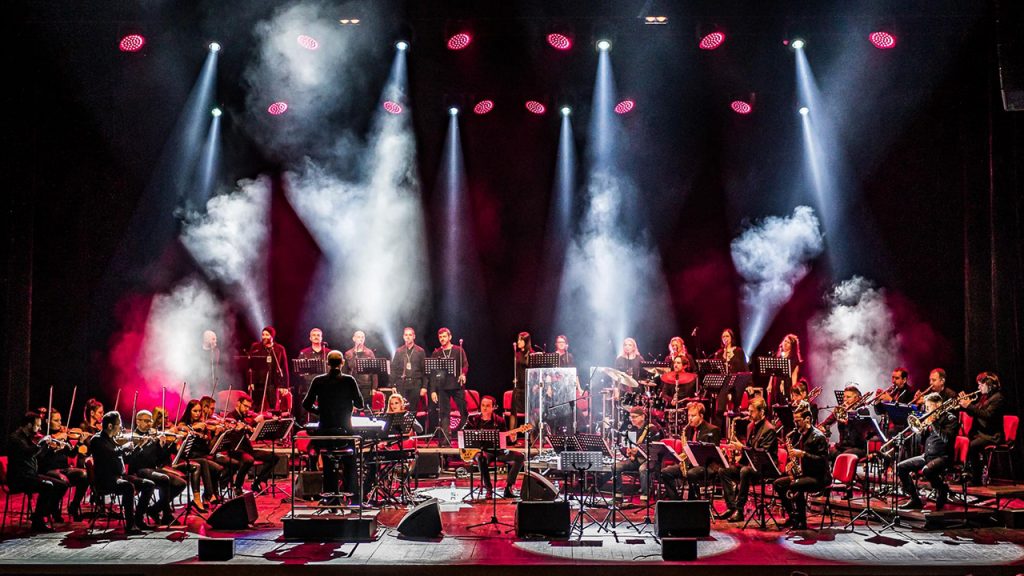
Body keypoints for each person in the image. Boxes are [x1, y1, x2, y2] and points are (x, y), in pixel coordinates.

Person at [302, 350, 366, 504]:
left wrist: (319, 411)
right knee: (350, 464)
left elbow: (306, 404)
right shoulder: (349, 380)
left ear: (327, 363)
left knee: (328, 464)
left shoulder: (318, 380)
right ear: (342, 363)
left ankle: (331, 499)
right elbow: (360, 404)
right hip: (345, 431)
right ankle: (353, 499)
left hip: (325, 432)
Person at [89, 411, 156, 534]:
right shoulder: (97, 440)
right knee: (128, 487)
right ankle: (130, 525)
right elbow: (110, 453)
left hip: (119, 477)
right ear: (110, 426)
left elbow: (125, 458)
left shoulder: (113, 439)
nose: (121, 427)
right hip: (106, 479)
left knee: (149, 484)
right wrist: (123, 447)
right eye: (119, 424)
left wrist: (138, 447)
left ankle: (138, 519)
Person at [7, 412, 67, 532]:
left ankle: (44, 512)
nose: (39, 429)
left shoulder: (28, 438)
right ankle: (38, 521)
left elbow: (38, 457)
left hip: (31, 475)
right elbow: (28, 453)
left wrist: (50, 448)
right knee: (47, 486)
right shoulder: (15, 438)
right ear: (29, 425)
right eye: (37, 425)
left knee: (62, 485)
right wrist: (41, 443)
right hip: (19, 478)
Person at [897, 392, 958, 510]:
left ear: (937, 405)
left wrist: (934, 423)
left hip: (943, 457)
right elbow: (923, 442)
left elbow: (947, 439)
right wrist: (921, 432)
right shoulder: (930, 419)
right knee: (901, 467)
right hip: (927, 456)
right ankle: (915, 499)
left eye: (928, 407)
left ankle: (942, 488)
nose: (926, 410)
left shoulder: (951, 419)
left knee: (927, 470)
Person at [720, 397, 777, 521]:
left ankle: (740, 511)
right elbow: (750, 450)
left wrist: (742, 448)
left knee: (745, 471)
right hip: (751, 465)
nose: (749, 414)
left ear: (762, 412)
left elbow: (762, 453)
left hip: (765, 468)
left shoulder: (770, 430)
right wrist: (738, 459)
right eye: (749, 411)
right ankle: (731, 507)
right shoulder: (750, 426)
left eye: (752, 411)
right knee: (724, 470)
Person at [127, 410, 188, 526]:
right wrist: (143, 445)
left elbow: (161, 458)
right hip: (139, 470)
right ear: (138, 421)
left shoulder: (153, 436)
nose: (149, 424)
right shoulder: (133, 437)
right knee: (164, 479)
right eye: (146, 421)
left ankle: (155, 509)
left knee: (181, 483)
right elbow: (133, 459)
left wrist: (165, 444)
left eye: (150, 421)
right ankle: (166, 515)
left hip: (152, 469)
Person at [774, 406, 829, 529]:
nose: (795, 424)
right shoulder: (801, 435)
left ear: (807, 419)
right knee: (778, 484)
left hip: (818, 477)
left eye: (798, 421)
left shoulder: (818, 437)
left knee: (796, 485)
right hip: (805, 473)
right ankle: (793, 516)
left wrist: (803, 454)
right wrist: (794, 463)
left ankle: (801, 521)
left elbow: (822, 461)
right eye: (795, 421)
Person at [463, 396, 525, 498]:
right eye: (483, 405)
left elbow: (505, 441)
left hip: (497, 452)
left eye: (488, 406)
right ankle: (489, 489)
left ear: (493, 407)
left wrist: (512, 439)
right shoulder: (473, 419)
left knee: (520, 456)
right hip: (481, 452)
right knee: (481, 458)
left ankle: (508, 488)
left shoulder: (499, 421)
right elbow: (463, 434)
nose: (484, 408)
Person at [223, 394, 284, 495]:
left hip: (248, 450)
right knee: (249, 460)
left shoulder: (243, 417)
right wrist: (254, 422)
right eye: (245, 406)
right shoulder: (231, 417)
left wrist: (257, 430)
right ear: (238, 404)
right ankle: (237, 486)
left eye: (249, 407)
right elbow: (236, 432)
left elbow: (249, 431)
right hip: (236, 450)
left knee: (274, 457)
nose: (247, 409)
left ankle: (257, 482)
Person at [601, 406, 664, 502]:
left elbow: (653, 450)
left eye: (634, 417)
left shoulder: (652, 429)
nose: (632, 419)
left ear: (642, 416)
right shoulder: (632, 429)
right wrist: (627, 451)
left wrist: (637, 451)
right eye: (631, 417)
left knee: (643, 469)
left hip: (650, 460)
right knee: (616, 466)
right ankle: (618, 495)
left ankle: (645, 497)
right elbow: (626, 447)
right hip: (636, 459)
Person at [661, 402, 722, 500]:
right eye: (689, 415)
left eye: (693, 416)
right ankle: (675, 501)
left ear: (701, 416)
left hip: (707, 465)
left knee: (692, 473)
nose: (690, 418)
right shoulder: (688, 430)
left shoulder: (713, 430)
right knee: (666, 472)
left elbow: (714, 454)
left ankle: (693, 502)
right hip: (690, 465)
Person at [38, 409, 88, 521]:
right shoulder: (42, 435)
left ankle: (74, 505)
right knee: (62, 480)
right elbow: (40, 455)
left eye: (60, 420)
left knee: (84, 476)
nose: (60, 423)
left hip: (64, 468)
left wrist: (80, 442)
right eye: (56, 420)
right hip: (48, 469)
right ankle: (53, 508)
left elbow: (71, 453)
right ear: (47, 421)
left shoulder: (63, 435)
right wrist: (56, 439)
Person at [178, 399, 228, 507]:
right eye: (195, 411)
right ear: (189, 411)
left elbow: (209, 448)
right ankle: (209, 495)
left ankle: (207, 494)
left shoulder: (203, 425)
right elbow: (179, 428)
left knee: (218, 468)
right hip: (188, 456)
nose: (198, 413)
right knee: (204, 462)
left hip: (201, 456)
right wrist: (192, 428)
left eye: (199, 411)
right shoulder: (184, 424)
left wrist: (215, 435)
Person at [959, 372, 1006, 485]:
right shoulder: (984, 397)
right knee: (963, 442)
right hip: (982, 433)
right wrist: (967, 405)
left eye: (980, 384)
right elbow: (975, 412)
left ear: (989, 385)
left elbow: (987, 415)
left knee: (971, 446)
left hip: (992, 435)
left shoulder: (998, 398)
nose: (978, 387)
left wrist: (969, 406)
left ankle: (976, 479)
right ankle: (965, 473)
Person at [429, 327, 469, 439]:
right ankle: (446, 439)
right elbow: (433, 374)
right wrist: (433, 391)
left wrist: (463, 374)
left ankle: (461, 436)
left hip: (457, 385)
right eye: (440, 337)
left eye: (444, 336)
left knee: (463, 411)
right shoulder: (436, 353)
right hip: (442, 387)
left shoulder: (458, 350)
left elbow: (465, 365)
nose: (442, 339)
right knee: (444, 413)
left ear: (450, 337)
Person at [248, 326, 290, 414]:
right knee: (256, 405)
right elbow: (250, 366)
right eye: (263, 334)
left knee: (273, 406)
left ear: (272, 336)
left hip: (272, 382)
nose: (264, 337)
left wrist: (285, 385)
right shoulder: (256, 347)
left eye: (267, 335)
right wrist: (250, 382)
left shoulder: (279, 348)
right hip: (258, 382)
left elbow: (284, 367)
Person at [826, 385, 871, 461]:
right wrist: (821, 427)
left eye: (848, 397)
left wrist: (850, 416)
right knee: (824, 453)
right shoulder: (842, 410)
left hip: (858, 447)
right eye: (844, 397)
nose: (845, 399)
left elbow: (861, 432)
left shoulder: (863, 411)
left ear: (857, 398)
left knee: (843, 457)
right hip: (842, 446)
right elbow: (827, 422)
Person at [296, 327, 331, 423]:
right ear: (310, 338)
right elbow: (299, 371)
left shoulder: (328, 352)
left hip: (325, 386)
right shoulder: (304, 353)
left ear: (321, 338)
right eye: (314, 335)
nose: (316, 337)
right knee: (307, 410)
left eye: (318, 335)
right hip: (308, 386)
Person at [391, 327, 427, 416]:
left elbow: (425, 370)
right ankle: (401, 425)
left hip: (415, 383)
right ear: (403, 337)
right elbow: (394, 369)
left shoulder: (420, 351)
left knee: (413, 409)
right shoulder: (399, 351)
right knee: (401, 409)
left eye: (410, 335)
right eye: (406, 335)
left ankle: (411, 425)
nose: (408, 337)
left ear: (414, 336)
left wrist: (424, 387)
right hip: (401, 383)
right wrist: (393, 385)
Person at [769, 334, 802, 409]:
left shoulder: (794, 358)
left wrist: (793, 391)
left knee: (786, 404)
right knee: (776, 404)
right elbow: (773, 371)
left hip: (787, 384)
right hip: (777, 383)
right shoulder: (778, 355)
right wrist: (770, 384)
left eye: (788, 342)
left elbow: (794, 375)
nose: (785, 343)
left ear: (792, 346)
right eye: (785, 341)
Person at [344, 330, 378, 400]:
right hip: (352, 385)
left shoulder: (369, 353)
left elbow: (374, 372)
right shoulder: (348, 353)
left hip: (366, 385)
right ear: (354, 339)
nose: (361, 339)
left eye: (362, 337)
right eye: (359, 337)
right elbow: (345, 371)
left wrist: (374, 388)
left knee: (365, 404)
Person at [512, 331, 533, 429]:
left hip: (528, 388)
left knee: (530, 413)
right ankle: (512, 435)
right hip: (518, 387)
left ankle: (531, 435)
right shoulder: (517, 354)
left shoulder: (532, 354)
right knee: (513, 412)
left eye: (521, 340)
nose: (518, 342)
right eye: (518, 340)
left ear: (526, 341)